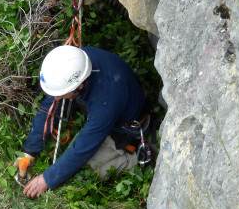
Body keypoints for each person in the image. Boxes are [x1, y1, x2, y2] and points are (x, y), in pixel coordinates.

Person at [17, 45, 150, 198]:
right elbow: (51, 106)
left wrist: (47, 179)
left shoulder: (106, 101)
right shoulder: (76, 61)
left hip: (126, 128)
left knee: (85, 171)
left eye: (61, 94)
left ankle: (135, 157)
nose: (57, 98)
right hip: (113, 101)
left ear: (79, 86)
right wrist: (30, 151)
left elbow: (84, 146)